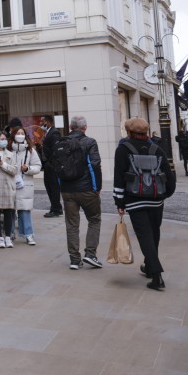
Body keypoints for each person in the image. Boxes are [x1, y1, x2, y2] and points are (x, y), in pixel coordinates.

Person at [113, 117, 176, 291]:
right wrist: (164, 194)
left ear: (129, 132)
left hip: (135, 200)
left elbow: (119, 177)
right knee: (154, 234)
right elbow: (169, 176)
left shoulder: (123, 150)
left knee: (144, 236)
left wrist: (119, 202)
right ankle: (149, 266)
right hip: (156, 200)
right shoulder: (157, 149)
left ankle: (156, 275)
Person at [60, 116, 104, 270]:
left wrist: (62, 186)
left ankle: (74, 259)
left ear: (70, 127)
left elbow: (57, 167)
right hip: (87, 189)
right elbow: (95, 165)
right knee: (94, 219)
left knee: (72, 224)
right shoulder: (89, 142)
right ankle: (90, 254)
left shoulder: (62, 142)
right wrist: (97, 187)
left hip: (67, 189)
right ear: (85, 127)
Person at [9, 127, 42, 245]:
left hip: (25, 184)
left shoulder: (30, 150)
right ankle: (9, 233)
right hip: (10, 184)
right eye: (17, 133)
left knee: (25, 210)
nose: (20, 135)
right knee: (9, 210)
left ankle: (28, 234)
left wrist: (28, 168)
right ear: (13, 135)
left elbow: (38, 166)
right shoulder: (8, 150)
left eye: (22, 133)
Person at [37, 115, 63, 217]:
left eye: (42, 121)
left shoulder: (54, 132)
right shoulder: (47, 133)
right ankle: (55, 207)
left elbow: (56, 149)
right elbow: (48, 148)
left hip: (52, 165)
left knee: (53, 187)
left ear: (47, 122)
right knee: (48, 187)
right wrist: (41, 147)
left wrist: (50, 163)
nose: (40, 124)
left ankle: (56, 209)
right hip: (47, 165)